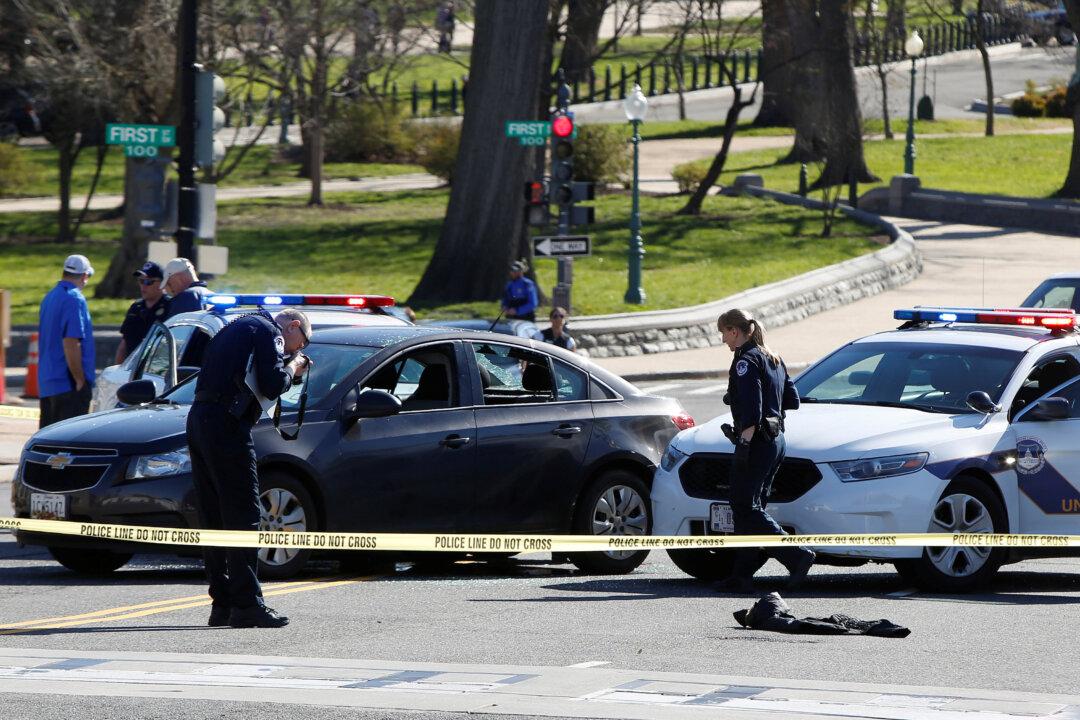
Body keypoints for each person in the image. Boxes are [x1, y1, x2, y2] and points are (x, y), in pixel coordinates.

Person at [188, 307, 312, 628]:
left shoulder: (237, 326)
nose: (298, 349)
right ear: (293, 326)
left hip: (200, 419)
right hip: (227, 424)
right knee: (244, 514)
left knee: (215, 515)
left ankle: (222, 604)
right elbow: (272, 384)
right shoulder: (270, 332)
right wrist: (293, 367)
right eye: (301, 343)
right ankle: (246, 605)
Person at [715, 308, 814, 593]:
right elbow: (792, 400)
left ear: (735, 331)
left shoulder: (745, 361)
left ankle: (796, 555)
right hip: (776, 439)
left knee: (744, 505)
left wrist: (744, 443)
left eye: (723, 333)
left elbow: (752, 409)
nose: (723, 339)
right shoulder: (773, 357)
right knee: (751, 508)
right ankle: (741, 575)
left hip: (756, 441)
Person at [37, 255, 96, 429]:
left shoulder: (49, 297)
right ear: (84, 276)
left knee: (49, 439)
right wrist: (79, 379)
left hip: (48, 381)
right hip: (68, 382)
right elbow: (71, 342)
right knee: (70, 438)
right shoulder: (74, 299)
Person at [116, 261, 170, 363]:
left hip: (157, 367)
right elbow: (124, 344)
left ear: (162, 283)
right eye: (141, 281)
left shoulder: (170, 306)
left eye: (148, 282)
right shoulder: (136, 308)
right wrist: (119, 368)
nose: (143, 286)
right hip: (132, 367)